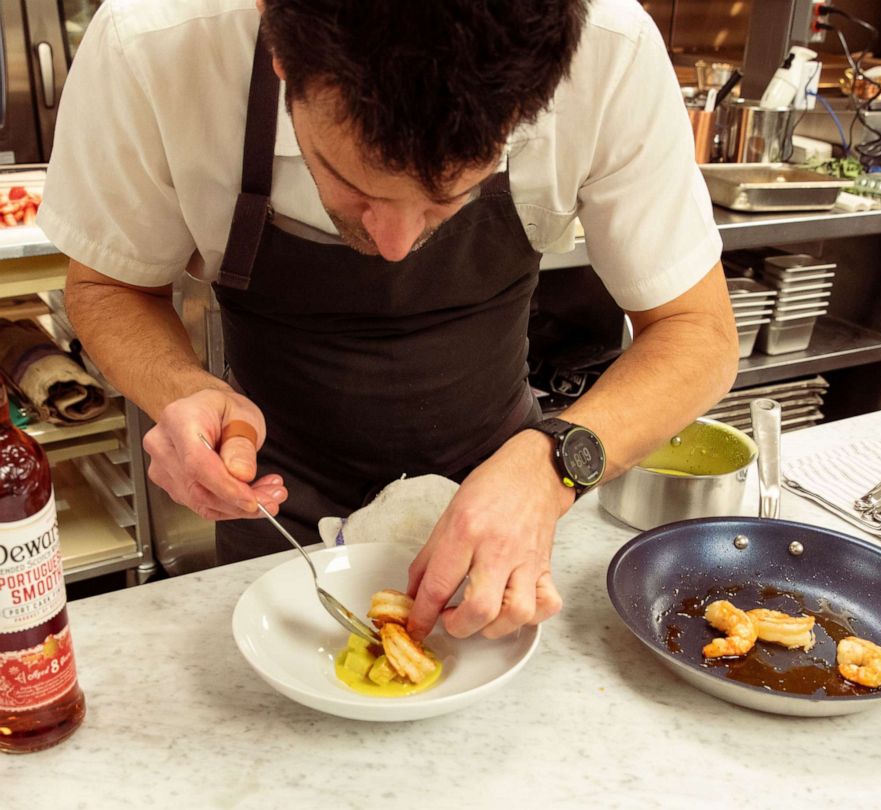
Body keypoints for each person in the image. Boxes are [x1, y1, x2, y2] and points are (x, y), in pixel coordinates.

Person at [38, 0, 738, 642]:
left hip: (503, 496)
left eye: (447, 199)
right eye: (352, 185)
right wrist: (178, 388)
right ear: (281, 53)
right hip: (274, 514)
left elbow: (697, 331)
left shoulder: (609, 50)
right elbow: (106, 286)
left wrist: (552, 464)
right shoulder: (154, 44)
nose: (397, 245)